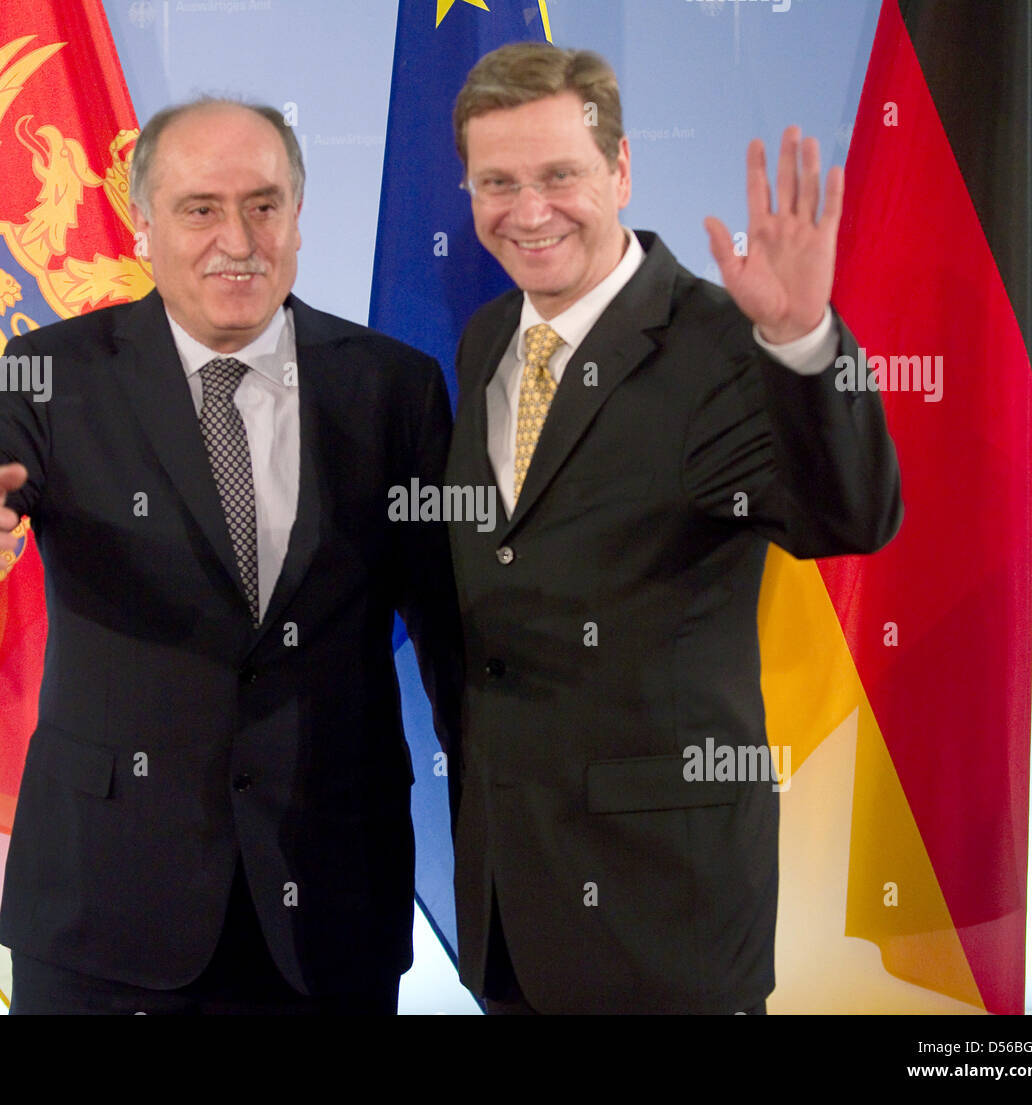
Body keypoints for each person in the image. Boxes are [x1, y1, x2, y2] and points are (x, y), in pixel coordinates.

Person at [0, 98, 461, 1014]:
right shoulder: (56, 370)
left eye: (265, 205)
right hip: (104, 915)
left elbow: (454, 633)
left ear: (299, 216)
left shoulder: (392, 386)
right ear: (143, 224)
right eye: (200, 208)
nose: (239, 238)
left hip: (330, 908)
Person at [444, 43, 903, 1014]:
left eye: (559, 175)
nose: (528, 211)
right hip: (508, 902)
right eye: (498, 182)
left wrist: (803, 340)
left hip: (663, 913)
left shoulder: (725, 341)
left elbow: (848, 518)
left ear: (620, 170)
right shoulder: (486, 338)